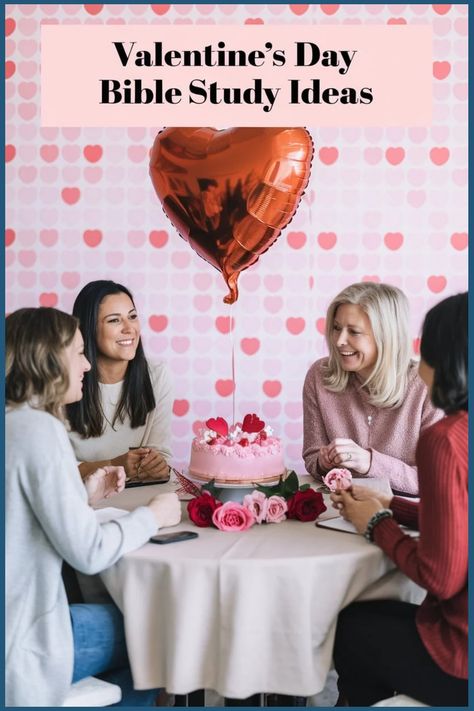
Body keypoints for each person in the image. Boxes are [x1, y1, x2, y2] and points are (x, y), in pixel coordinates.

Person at [6, 307, 182, 707]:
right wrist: (153, 515)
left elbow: (19, 520)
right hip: (23, 644)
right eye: (79, 354)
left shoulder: (13, 422)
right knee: (164, 628)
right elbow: (88, 552)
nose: (87, 365)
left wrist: (81, 498)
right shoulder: (40, 430)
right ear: (49, 359)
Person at [330, 292, 468, 706]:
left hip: (461, 661)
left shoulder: (445, 440)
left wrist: (376, 525)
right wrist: (392, 506)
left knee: (352, 626)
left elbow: (441, 576)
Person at [303, 282, 443, 496]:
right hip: (338, 511)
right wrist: (323, 462)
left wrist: (370, 462)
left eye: (354, 332)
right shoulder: (319, 375)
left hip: (406, 517)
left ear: (386, 336)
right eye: (337, 328)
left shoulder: (428, 386)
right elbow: (312, 458)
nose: (339, 341)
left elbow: (437, 479)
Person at [67, 280, 172, 483]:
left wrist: (158, 466)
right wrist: (115, 465)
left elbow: (161, 456)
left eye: (132, 317)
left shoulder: (157, 376)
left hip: (137, 498)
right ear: (88, 328)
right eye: (114, 320)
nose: (129, 328)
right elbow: (53, 469)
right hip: (80, 501)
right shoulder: (64, 383)